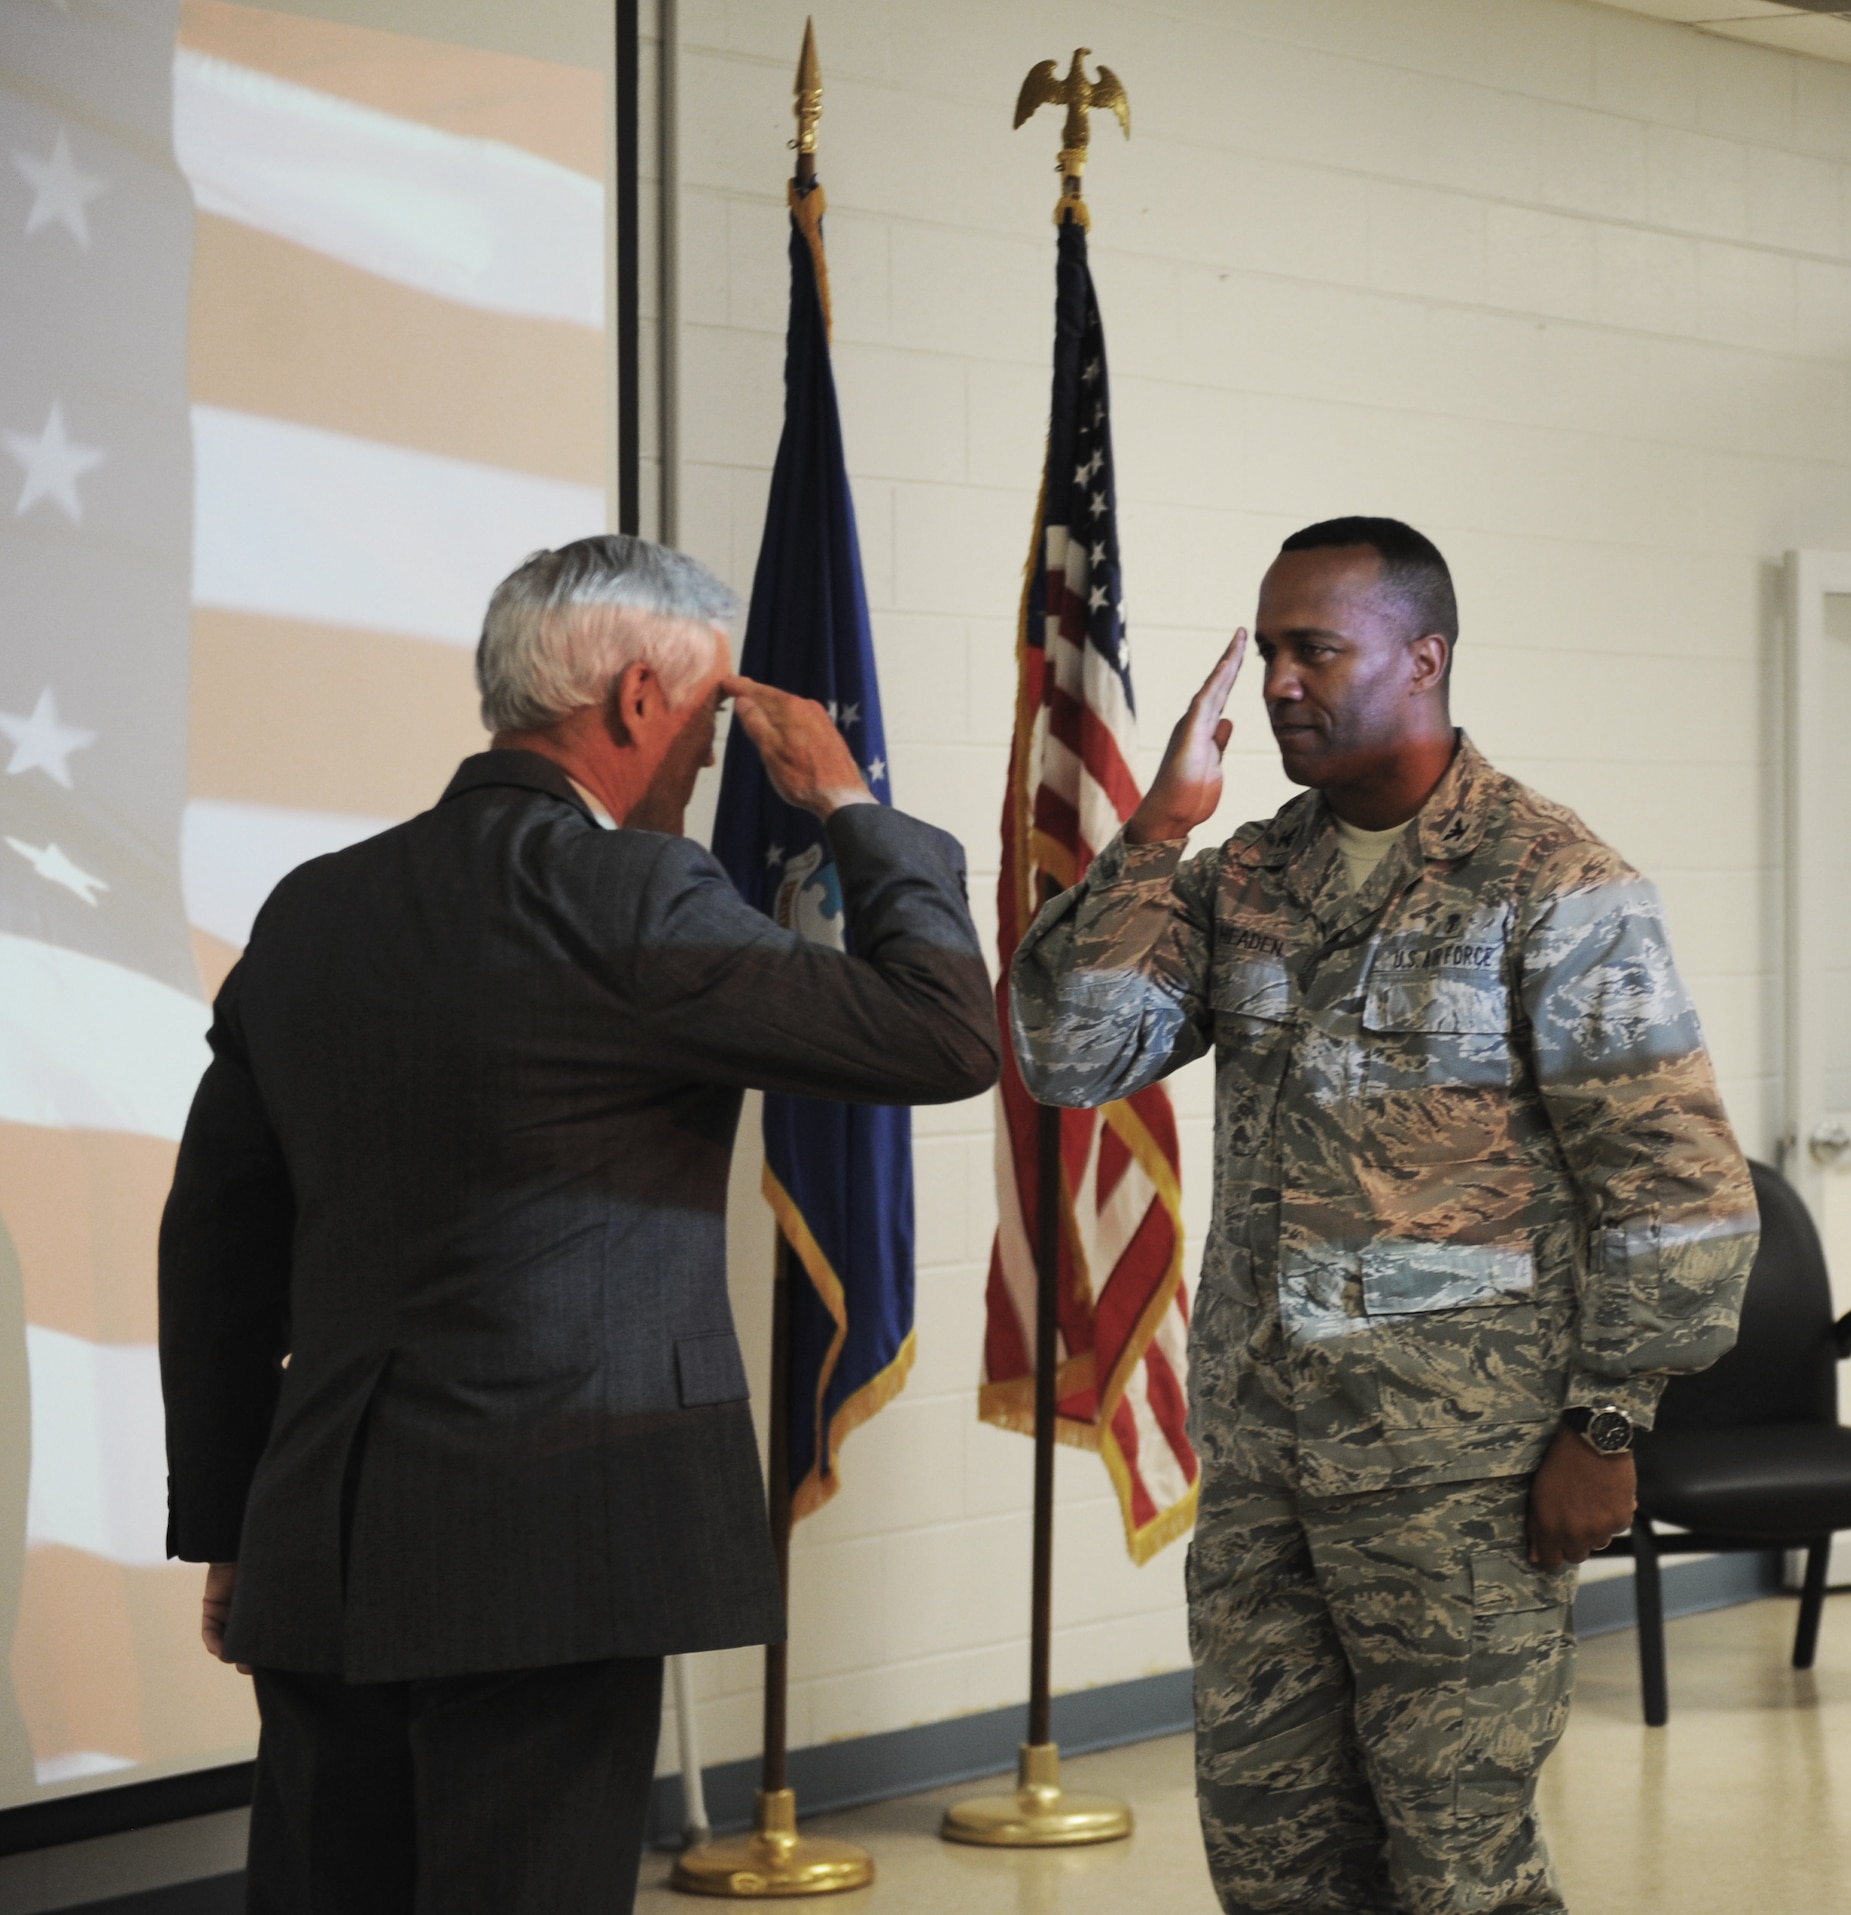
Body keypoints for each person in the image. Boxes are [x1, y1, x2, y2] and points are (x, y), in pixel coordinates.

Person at [158, 535, 999, 1915]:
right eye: (713, 721)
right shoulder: (631, 896)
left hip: (325, 1537)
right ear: (634, 703)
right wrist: (851, 802)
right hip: (552, 1544)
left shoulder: (313, 910)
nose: (711, 762)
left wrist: (234, 1519)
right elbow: (946, 1032)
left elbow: (217, 1248)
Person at [1011, 517, 1757, 1914]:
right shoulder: (1244, 879)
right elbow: (1073, 1051)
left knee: (1458, 1871)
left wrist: (1607, 1430)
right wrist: (1160, 825)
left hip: (1457, 1482)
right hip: (1265, 1473)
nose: (1282, 682)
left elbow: (1674, 1187)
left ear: (1425, 659)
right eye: (1271, 649)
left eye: (1317, 649)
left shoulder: (1553, 882)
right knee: (1275, 1864)